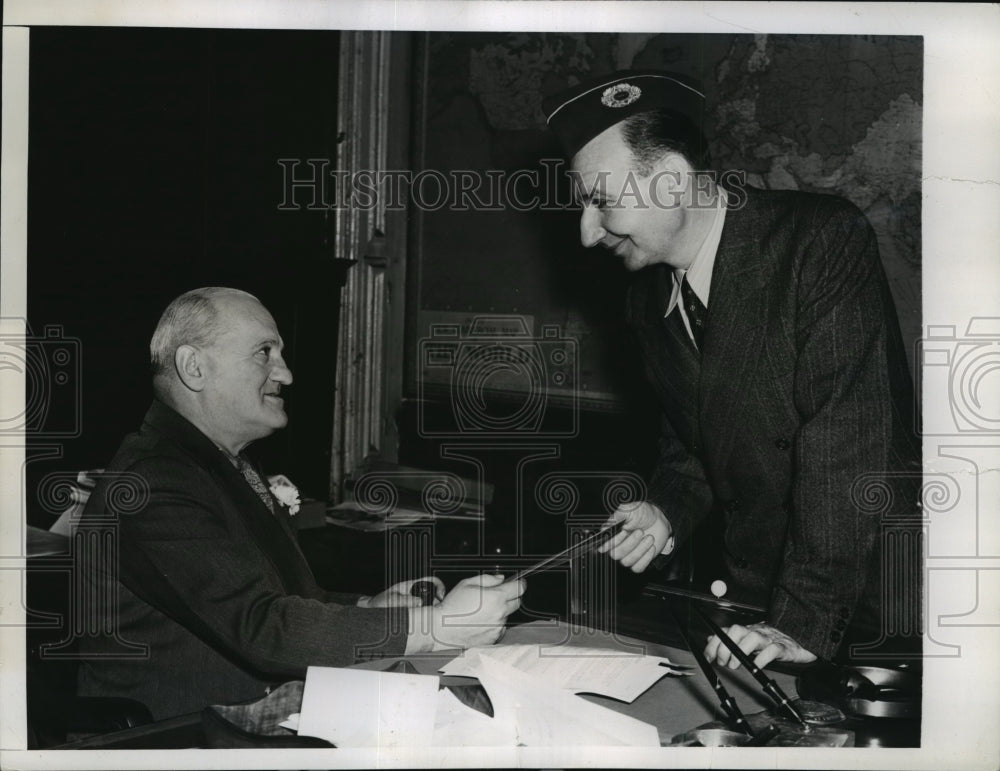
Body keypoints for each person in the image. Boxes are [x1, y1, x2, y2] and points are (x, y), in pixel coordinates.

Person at [542, 71, 920, 670]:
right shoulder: (645, 298)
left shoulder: (819, 242)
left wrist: (801, 619)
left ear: (669, 183)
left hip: (864, 605)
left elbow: (848, 442)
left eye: (601, 202)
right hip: (759, 606)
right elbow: (694, 438)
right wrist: (666, 508)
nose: (587, 234)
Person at [77, 287, 524, 719]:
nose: (285, 373)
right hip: (181, 741)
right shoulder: (153, 481)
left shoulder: (215, 463)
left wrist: (372, 608)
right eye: (264, 353)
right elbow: (261, 628)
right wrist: (435, 629)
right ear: (194, 366)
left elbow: (284, 602)